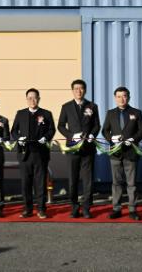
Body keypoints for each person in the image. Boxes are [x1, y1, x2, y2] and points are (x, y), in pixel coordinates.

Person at [57, 79, 101, 218]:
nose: (78, 91)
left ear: (85, 90)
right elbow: (61, 125)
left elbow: (97, 125)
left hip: (88, 148)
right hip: (73, 148)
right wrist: (71, 136)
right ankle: (74, 207)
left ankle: (87, 207)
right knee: (73, 179)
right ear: (72, 90)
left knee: (88, 180)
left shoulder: (92, 106)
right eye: (76, 89)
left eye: (81, 88)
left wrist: (92, 135)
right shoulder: (66, 107)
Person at [101, 86, 142, 220]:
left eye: (124, 96)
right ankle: (116, 209)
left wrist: (133, 139)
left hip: (131, 152)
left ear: (129, 97)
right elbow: (105, 130)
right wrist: (111, 139)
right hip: (115, 153)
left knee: (131, 184)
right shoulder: (110, 113)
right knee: (116, 183)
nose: (122, 99)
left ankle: (132, 209)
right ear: (115, 98)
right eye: (119, 96)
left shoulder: (136, 113)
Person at [11, 88, 55, 219]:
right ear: (26, 99)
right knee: (26, 183)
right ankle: (27, 209)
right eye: (29, 98)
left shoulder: (46, 114)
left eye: (35, 97)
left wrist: (46, 138)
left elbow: (51, 130)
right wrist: (19, 138)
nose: (32, 100)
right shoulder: (20, 113)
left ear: (39, 99)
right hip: (24, 154)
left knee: (40, 183)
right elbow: (14, 131)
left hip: (40, 154)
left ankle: (41, 209)